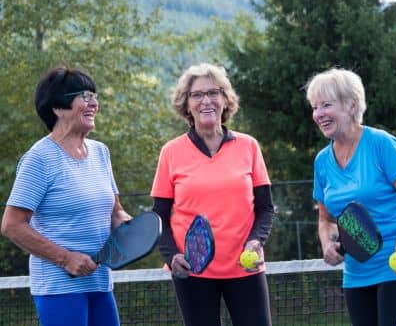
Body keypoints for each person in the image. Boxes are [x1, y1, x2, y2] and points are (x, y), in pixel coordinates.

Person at [1, 65, 131, 326]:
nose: (93, 103)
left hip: (100, 282)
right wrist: (66, 258)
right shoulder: (39, 159)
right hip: (59, 287)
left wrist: (134, 229)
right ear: (58, 108)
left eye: (94, 96)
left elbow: (115, 211)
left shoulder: (100, 152)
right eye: (84, 96)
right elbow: (11, 225)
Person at [151, 63, 274, 326]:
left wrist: (256, 241)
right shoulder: (171, 152)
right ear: (186, 104)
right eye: (197, 94)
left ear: (225, 100)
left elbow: (265, 209)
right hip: (193, 272)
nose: (206, 100)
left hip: (245, 268)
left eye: (214, 92)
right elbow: (158, 216)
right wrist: (172, 256)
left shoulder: (249, 146)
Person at [305, 68, 396, 326]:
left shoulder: (381, 144)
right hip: (356, 274)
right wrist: (327, 244)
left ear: (351, 105)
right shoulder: (322, 162)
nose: (319, 114)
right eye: (315, 107)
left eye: (326, 105)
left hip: (395, 269)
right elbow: (326, 220)